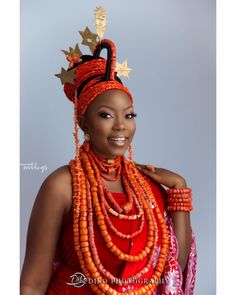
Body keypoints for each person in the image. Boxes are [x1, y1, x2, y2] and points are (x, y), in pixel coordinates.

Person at [20, 7, 197, 295]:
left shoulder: (146, 187)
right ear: (83, 121)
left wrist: (178, 188)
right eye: (106, 115)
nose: (121, 127)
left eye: (128, 115)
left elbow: (171, 270)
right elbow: (32, 283)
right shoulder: (62, 186)